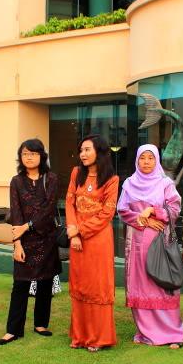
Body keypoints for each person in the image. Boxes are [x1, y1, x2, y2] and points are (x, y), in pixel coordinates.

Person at [0, 139, 62, 346]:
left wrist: (27, 226)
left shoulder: (51, 179)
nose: (29, 157)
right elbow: (16, 213)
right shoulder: (16, 181)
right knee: (20, 285)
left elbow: (49, 210)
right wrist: (17, 243)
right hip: (24, 240)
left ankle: (41, 324)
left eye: (33, 153)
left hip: (46, 238)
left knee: (45, 282)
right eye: (25, 154)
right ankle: (13, 330)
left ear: (41, 156)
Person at [118, 145, 183, 349]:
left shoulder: (165, 183)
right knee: (140, 284)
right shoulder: (129, 183)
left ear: (156, 161)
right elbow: (122, 210)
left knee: (162, 283)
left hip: (159, 242)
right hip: (137, 242)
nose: (146, 162)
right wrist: (144, 220)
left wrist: (154, 211)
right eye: (142, 158)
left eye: (151, 158)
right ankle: (146, 332)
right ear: (137, 161)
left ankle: (174, 333)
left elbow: (174, 208)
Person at [65, 135, 119, 352]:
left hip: (98, 240)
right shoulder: (76, 173)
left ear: (100, 151)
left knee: (97, 286)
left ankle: (98, 337)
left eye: (87, 149)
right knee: (80, 283)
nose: (83, 154)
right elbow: (69, 203)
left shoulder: (112, 179)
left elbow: (107, 213)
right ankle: (80, 336)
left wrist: (80, 230)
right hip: (76, 239)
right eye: (81, 150)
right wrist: (73, 233)